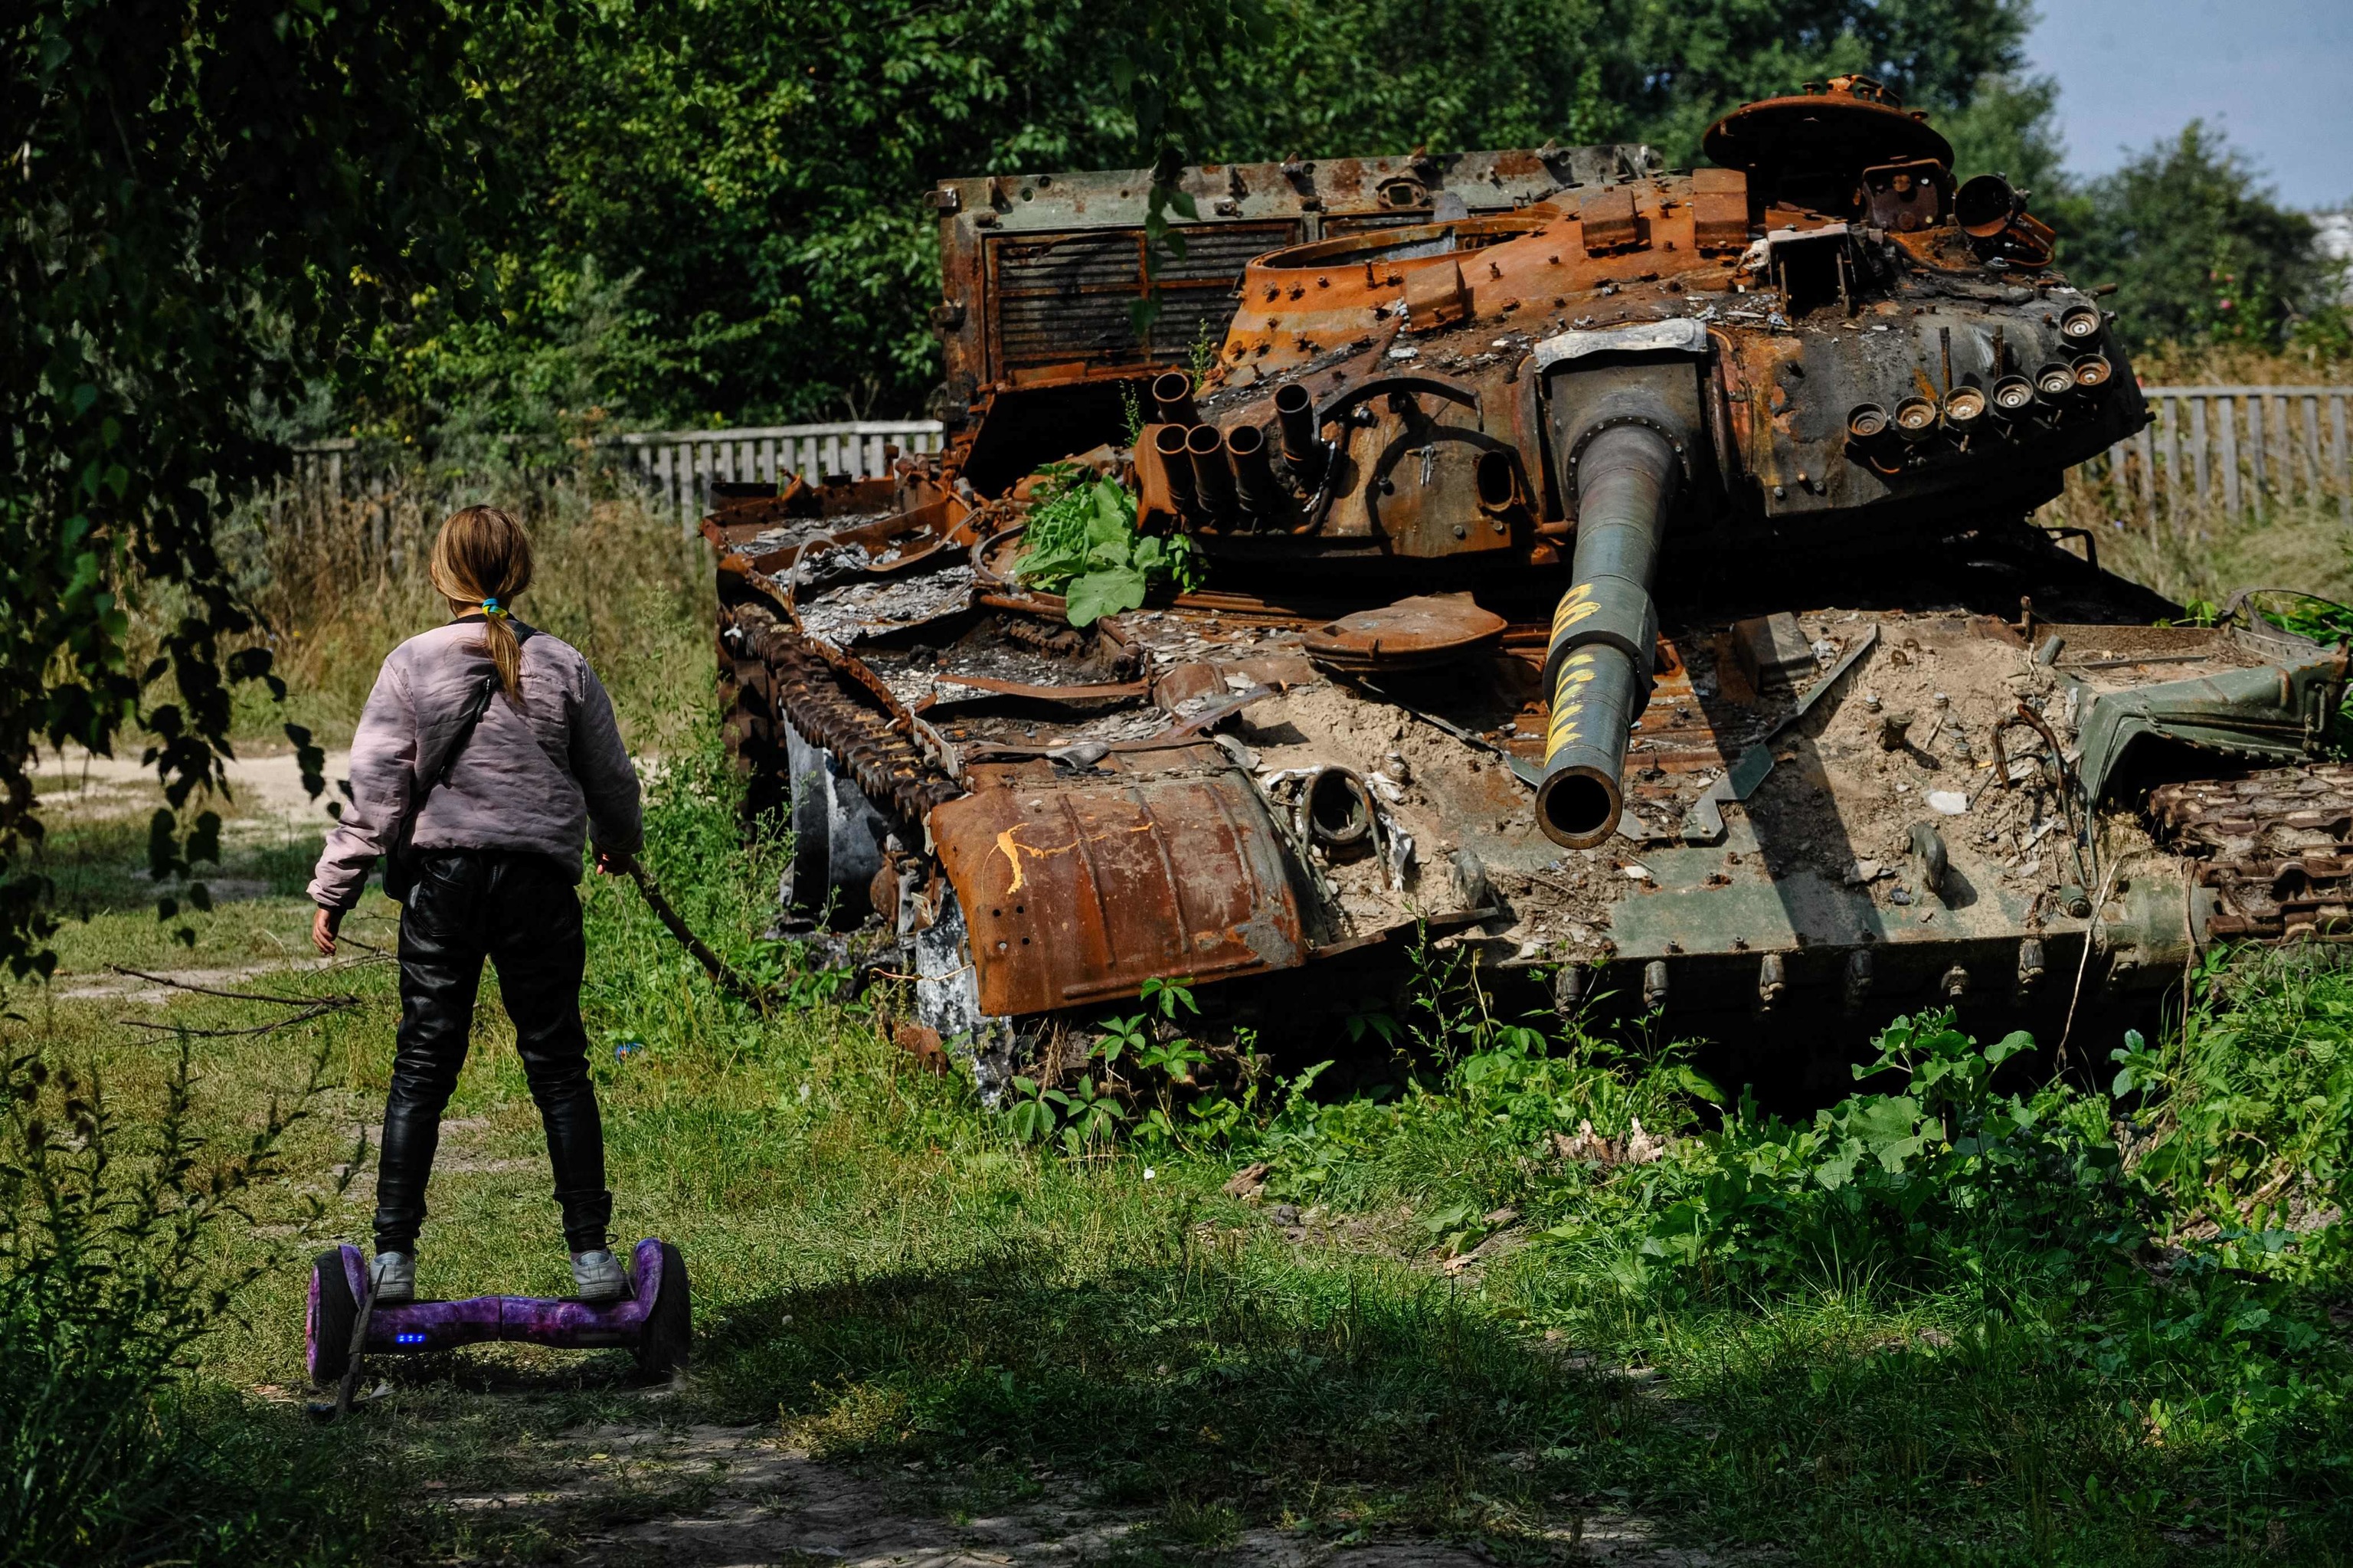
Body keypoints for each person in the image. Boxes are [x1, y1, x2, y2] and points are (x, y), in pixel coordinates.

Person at [307, 506, 643, 1304]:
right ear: (518, 570)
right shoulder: (562, 664)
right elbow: (612, 777)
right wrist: (618, 842)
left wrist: (336, 886)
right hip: (538, 887)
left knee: (423, 1061)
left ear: (442, 573)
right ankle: (592, 1257)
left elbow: (380, 796)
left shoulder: (411, 664)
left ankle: (393, 1257)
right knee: (558, 1062)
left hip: (444, 884)